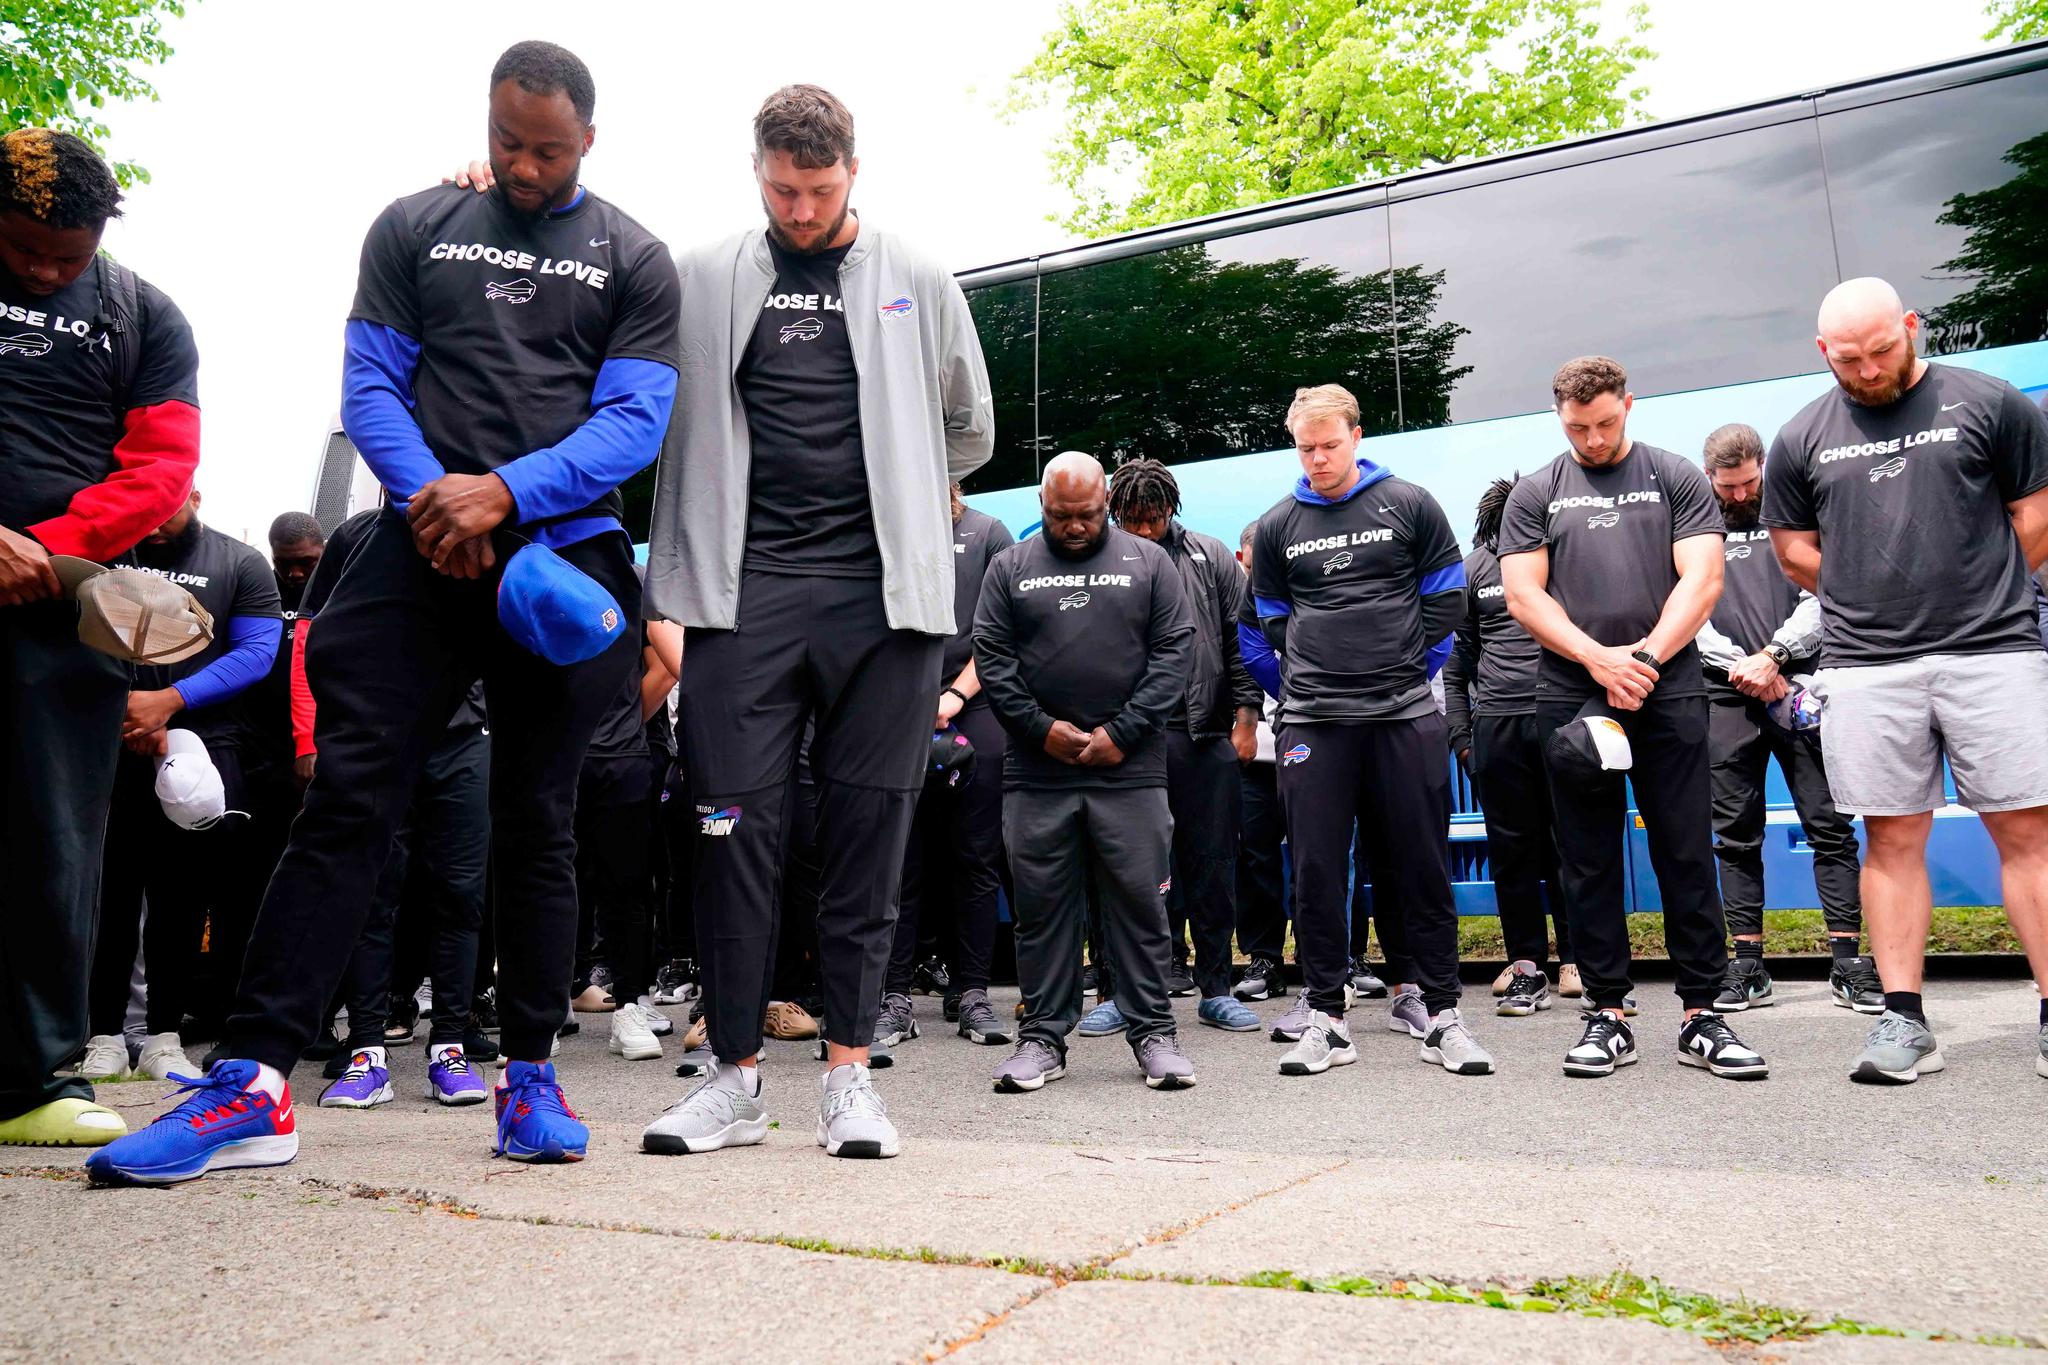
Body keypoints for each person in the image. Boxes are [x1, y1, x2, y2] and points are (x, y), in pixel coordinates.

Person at [90, 42, 680, 1185]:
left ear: (589, 142)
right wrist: (430, 503)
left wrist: (504, 495)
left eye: (547, 149)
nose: (521, 163)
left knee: (536, 821)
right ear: (487, 119)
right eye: (507, 139)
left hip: (560, 561)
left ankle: (529, 1077)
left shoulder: (635, 258)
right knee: (350, 801)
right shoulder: (415, 225)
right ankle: (253, 1084)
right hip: (414, 548)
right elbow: (369, 386)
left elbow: (634, 422)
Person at [638, 84, 992, 1162]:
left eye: (820, 190)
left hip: (883, 605)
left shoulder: (918, 278)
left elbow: (966, 429)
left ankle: (848, 1077)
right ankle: (733, 1079)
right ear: (756, 172)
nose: (799, 210)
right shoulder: (697, 277)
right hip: (742, 600)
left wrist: (895, 498)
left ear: (853, 174)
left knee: (864, 838)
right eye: (782, 189)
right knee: (732, 836)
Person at [1762, 277, 2048, 1085]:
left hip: (1994, 652)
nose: (1869, 369)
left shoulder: (1990, 403)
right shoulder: (1801, 436)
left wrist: (1977, 590)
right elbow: (1794, 550)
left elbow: (2036, 515)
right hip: (1867, 664)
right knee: (1890, 838)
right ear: (1825, 353)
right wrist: (1872, 598)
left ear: (1912, 327)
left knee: (2028, 832)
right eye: (1849, 358)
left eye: (1883, 349)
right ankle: (1903, 1019)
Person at [0, 129, 201, 1148]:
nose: (42, 270)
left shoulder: (142, 316)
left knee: (55, 843)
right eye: (25, 247)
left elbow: (161, 472)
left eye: (64, 256)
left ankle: (31, 1079)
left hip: (61, 610)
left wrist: (41, 548)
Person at [1499, 355, 1767, 1082]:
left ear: (1629, 404)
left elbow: (1703, 577)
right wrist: (1598, 660)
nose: (1591, 439)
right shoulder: (1536, 491)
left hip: (1670, 687)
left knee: (1684, 847)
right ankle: (1606, 1014)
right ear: (1559, 417)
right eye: (1577, 427)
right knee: (1585, 857)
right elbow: (1525, 596)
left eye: (1605, 422)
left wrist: (1642, 659)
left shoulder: (1675, 474)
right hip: (1571, 693)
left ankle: (1701, 1015)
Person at [1248, 383, 1485, 1078]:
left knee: (1420, 864)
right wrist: (1326, 669)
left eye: (1329, 444)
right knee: (1318, 869)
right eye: (1305, 448)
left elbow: (1447, 597)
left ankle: (1442, 1014)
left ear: (1356, 434)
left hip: (1404, 715)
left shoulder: (1408, 504)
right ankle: (1326, 1019)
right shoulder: (1278, 524)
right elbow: (1271, 618)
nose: (1318, 458)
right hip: (1315, 720)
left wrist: (1404, 667)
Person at [976, 453, 1197, 1092]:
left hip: (1129, 771)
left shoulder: (1149, 563)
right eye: (1059, 515)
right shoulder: (1009, 567)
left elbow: (1174, 653)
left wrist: (1121, 734)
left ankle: (1154, 1033)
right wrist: (1040, 729)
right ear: (1042, 506)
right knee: (1042, 910)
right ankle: (1042, 1039)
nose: (1074, 527)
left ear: (1107, 504)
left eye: (1087, 514)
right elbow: (993, 657)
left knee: (1138, 902)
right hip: (1037, 771)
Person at [286, 509, 494, 1110]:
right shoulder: (357, 535)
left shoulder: (481, 522)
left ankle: (449, 1047)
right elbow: (310, 633)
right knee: (372, 890)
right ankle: (367, 1050)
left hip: (463, 737)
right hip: (378, 735)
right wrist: (313, 737)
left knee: (459, 892)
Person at [87, 489, 282, 1082]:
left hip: (202, 746)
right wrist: (130, 707)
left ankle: (165, 1035)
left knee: (183, 892)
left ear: (193, 494)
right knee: (110, 892)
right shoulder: (106, 552)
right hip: (111, 736)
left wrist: (170, 702)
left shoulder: (239, 562)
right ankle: (102, 1035)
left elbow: (256, 651)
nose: (155, 514)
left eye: (168, 502)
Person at [1694, 423, 1877, 1015]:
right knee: (1735, 834)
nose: (1741, 496)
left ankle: (1849, 963)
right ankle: (1746, 964)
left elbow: (1822, 593)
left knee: (1828, 825)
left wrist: (1774, 657)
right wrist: (1744, 667)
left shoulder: (1796, 513)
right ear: (1709, 478)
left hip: (1801, 688)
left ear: (1763, 466)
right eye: (1728, 487)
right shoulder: (1695, 524)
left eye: (1748, 483)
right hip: (1725, 694)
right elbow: (1687, 609)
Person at [1104, 459, 1262, 1033]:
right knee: (1125, 868)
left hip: (1201, 734)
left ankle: (1217, 986)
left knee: (1212, 862)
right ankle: (1120, 991)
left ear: (1170, 509)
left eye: (1153, 518)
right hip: (1125, 740)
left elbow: (1240, 639)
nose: (1143, 530)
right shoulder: (1102, 560)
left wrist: (1246, 717)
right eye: (1132, 519)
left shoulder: (1211, 555)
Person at [881, 483, 1015, 1050]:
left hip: (974, 705)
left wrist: (955, 697)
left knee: (975, 858)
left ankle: (974, 992)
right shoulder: (882, 526)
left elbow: (1001, 631)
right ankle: (892, 997)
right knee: (897, 862)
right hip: (894, 709)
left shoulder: (988, 534)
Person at [1442, 476, 1576, 1014]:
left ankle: (1577, 960)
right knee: (1512, 852)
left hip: (1563, 718)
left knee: (1573, 844)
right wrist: (1463, 741)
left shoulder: (1562, 562)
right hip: (1496, 727)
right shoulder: (1473, 570)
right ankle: (1526, 967)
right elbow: (1456, 667)